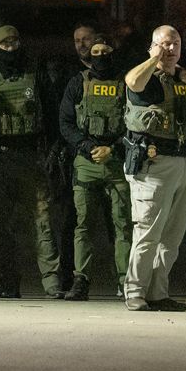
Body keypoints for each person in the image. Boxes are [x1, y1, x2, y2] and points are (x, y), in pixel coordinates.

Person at [122, 25, 186, 312]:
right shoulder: (147, 77)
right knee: (148, 231)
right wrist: (155, 59)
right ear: (152, 46)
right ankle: (135, 291)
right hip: (154, 164)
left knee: (172, 237)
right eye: (165, 44)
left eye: (175, 43)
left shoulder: (185, 78)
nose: (171, 49)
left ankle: (158, 292)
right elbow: (132, 82)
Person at [0, 25, 63, 299]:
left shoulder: (33, 73)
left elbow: (50, 113)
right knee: (2, 227)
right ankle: (9, 283)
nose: (11, 48)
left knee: (43, 223)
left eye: (15, 42)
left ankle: (52, 283)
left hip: (30, 156)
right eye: (5, 44)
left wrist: (53, 149)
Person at [58, 42, 132, 301]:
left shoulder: (126, 82)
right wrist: (87, 146)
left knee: (123, 224)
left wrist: (113, 148)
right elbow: (66, 122)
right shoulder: (78, 82)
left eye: (105, 51)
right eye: (96, 52)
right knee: (83, 224)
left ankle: (125, 281)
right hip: (86, 162)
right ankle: (81, 280)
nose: (101, 56)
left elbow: (134, 123)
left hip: (116, 162)